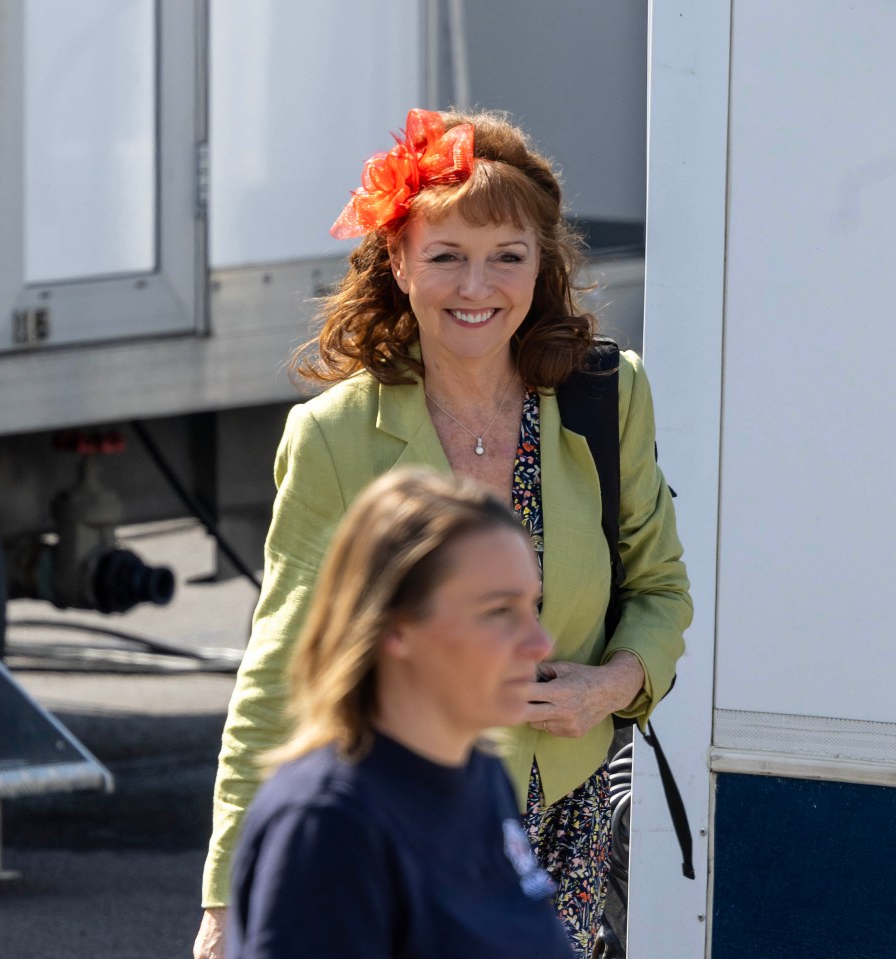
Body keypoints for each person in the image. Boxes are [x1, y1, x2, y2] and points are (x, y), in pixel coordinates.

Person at [195, 107, 692, 959]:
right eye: (447, 257)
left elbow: (660, 590)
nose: (478, 287)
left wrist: (609, 686)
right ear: (398, 261)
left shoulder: (609, 396)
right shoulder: (333, 437)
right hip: (405, 811)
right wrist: (224, 898)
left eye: (508, 257)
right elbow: (279, 670)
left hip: (571, 817)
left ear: (543, 267)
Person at [227, 467, 574, 958]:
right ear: (395, 627)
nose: (538, 643)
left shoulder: (482, 776)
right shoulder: (327, 825)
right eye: (499, 612)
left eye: (531, 607)